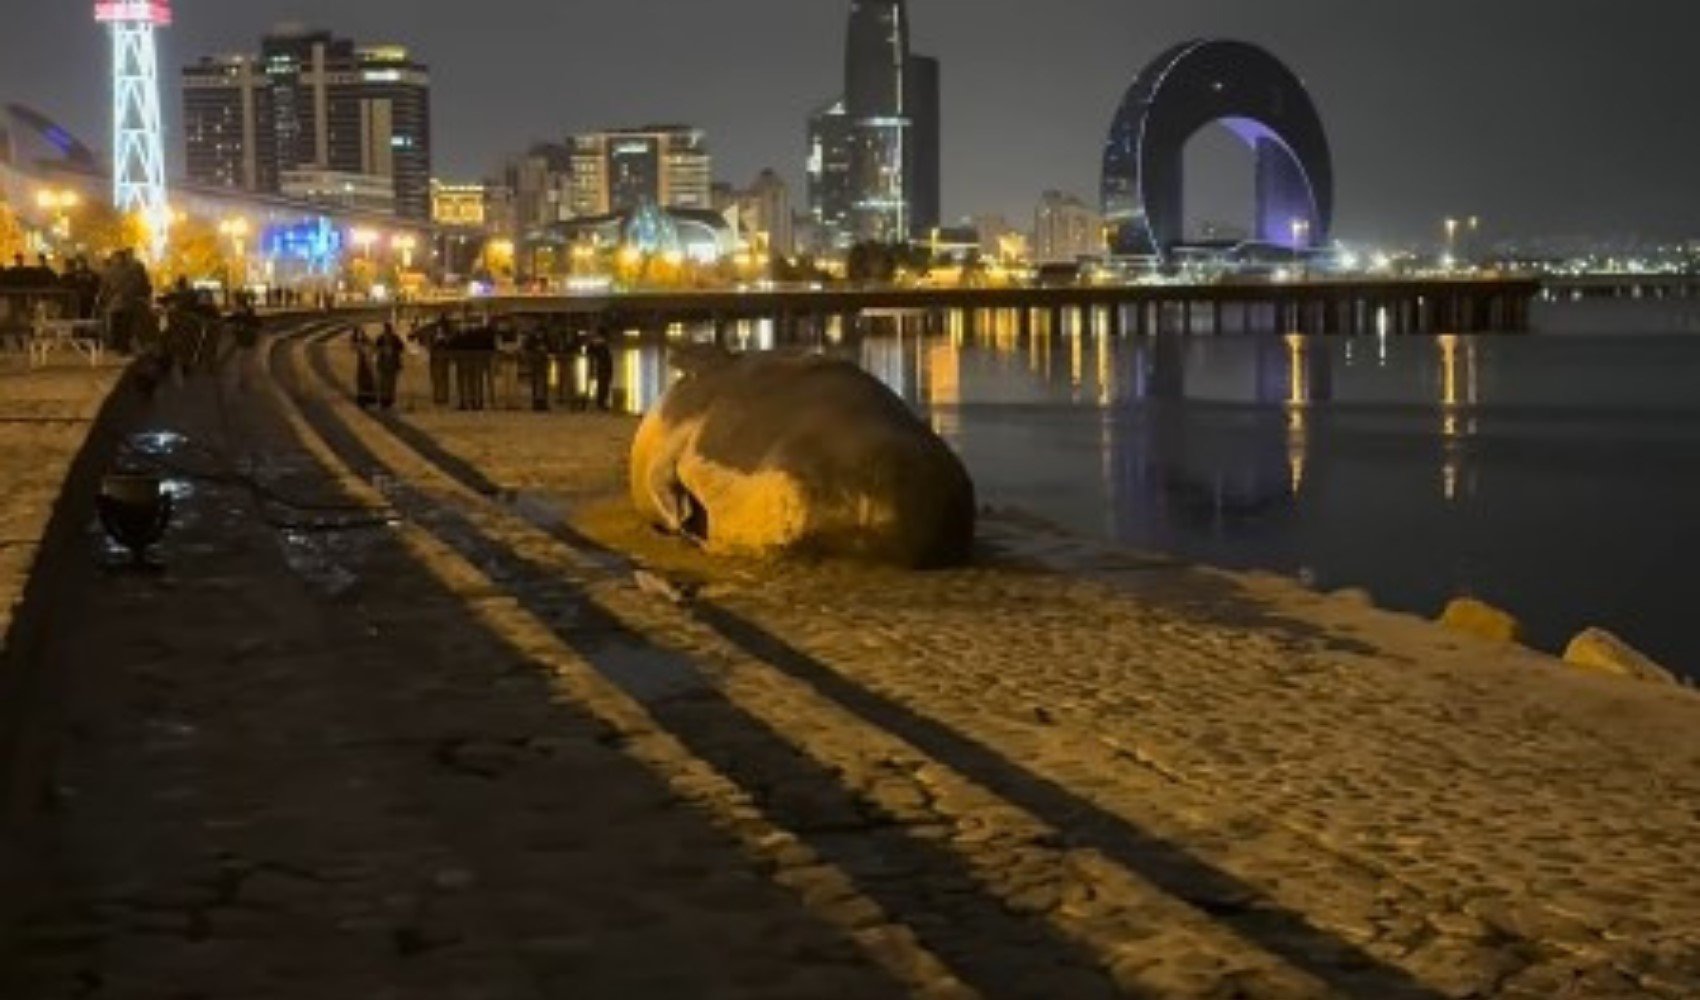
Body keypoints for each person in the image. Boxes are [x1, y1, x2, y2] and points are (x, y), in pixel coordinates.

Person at [374, 321, 406, 411]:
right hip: (385, 364)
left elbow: (401, 347)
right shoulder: (382, 338)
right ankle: (384, 401)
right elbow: (376, 348)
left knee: (389, 384)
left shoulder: (394, 338)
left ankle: (388, 401)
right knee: (384, 384)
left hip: (391, 364)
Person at [588, 328, 616, 412]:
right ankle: (601, 403)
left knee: (603, 385)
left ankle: (601, 402)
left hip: (602, 367)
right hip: (603, 367)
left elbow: (589, 351)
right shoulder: (601, 345)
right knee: (604, 385)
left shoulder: (598, 345)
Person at [351, 326, 377, 408]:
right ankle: (364, 398)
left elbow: (373, 349)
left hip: (367, 364)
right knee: (363, 381)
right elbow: (354, 346)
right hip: (363, 364)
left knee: (367, 381)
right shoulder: (361, 344)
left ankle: (369, 398)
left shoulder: (367, 343)